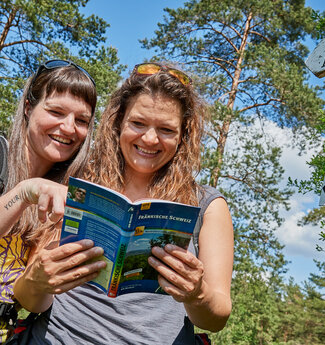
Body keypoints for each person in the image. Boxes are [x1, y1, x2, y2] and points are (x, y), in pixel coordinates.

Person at [14, 62, 234, 344]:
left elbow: (217, 318)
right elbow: (29, 300)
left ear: (183, 136)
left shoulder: (207, 206)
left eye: (166, 129)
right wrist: (38, 279)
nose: (150, 139)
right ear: (118, 123)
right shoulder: (76, 183)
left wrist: (196, 294)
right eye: (138, 123)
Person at [0, 59, 103, 343]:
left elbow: (33, 304)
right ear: (29, 107)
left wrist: (46, 279)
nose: (69, 128)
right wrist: (24, 192)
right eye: (56, 111)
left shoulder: (69, 195)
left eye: (82, 120)